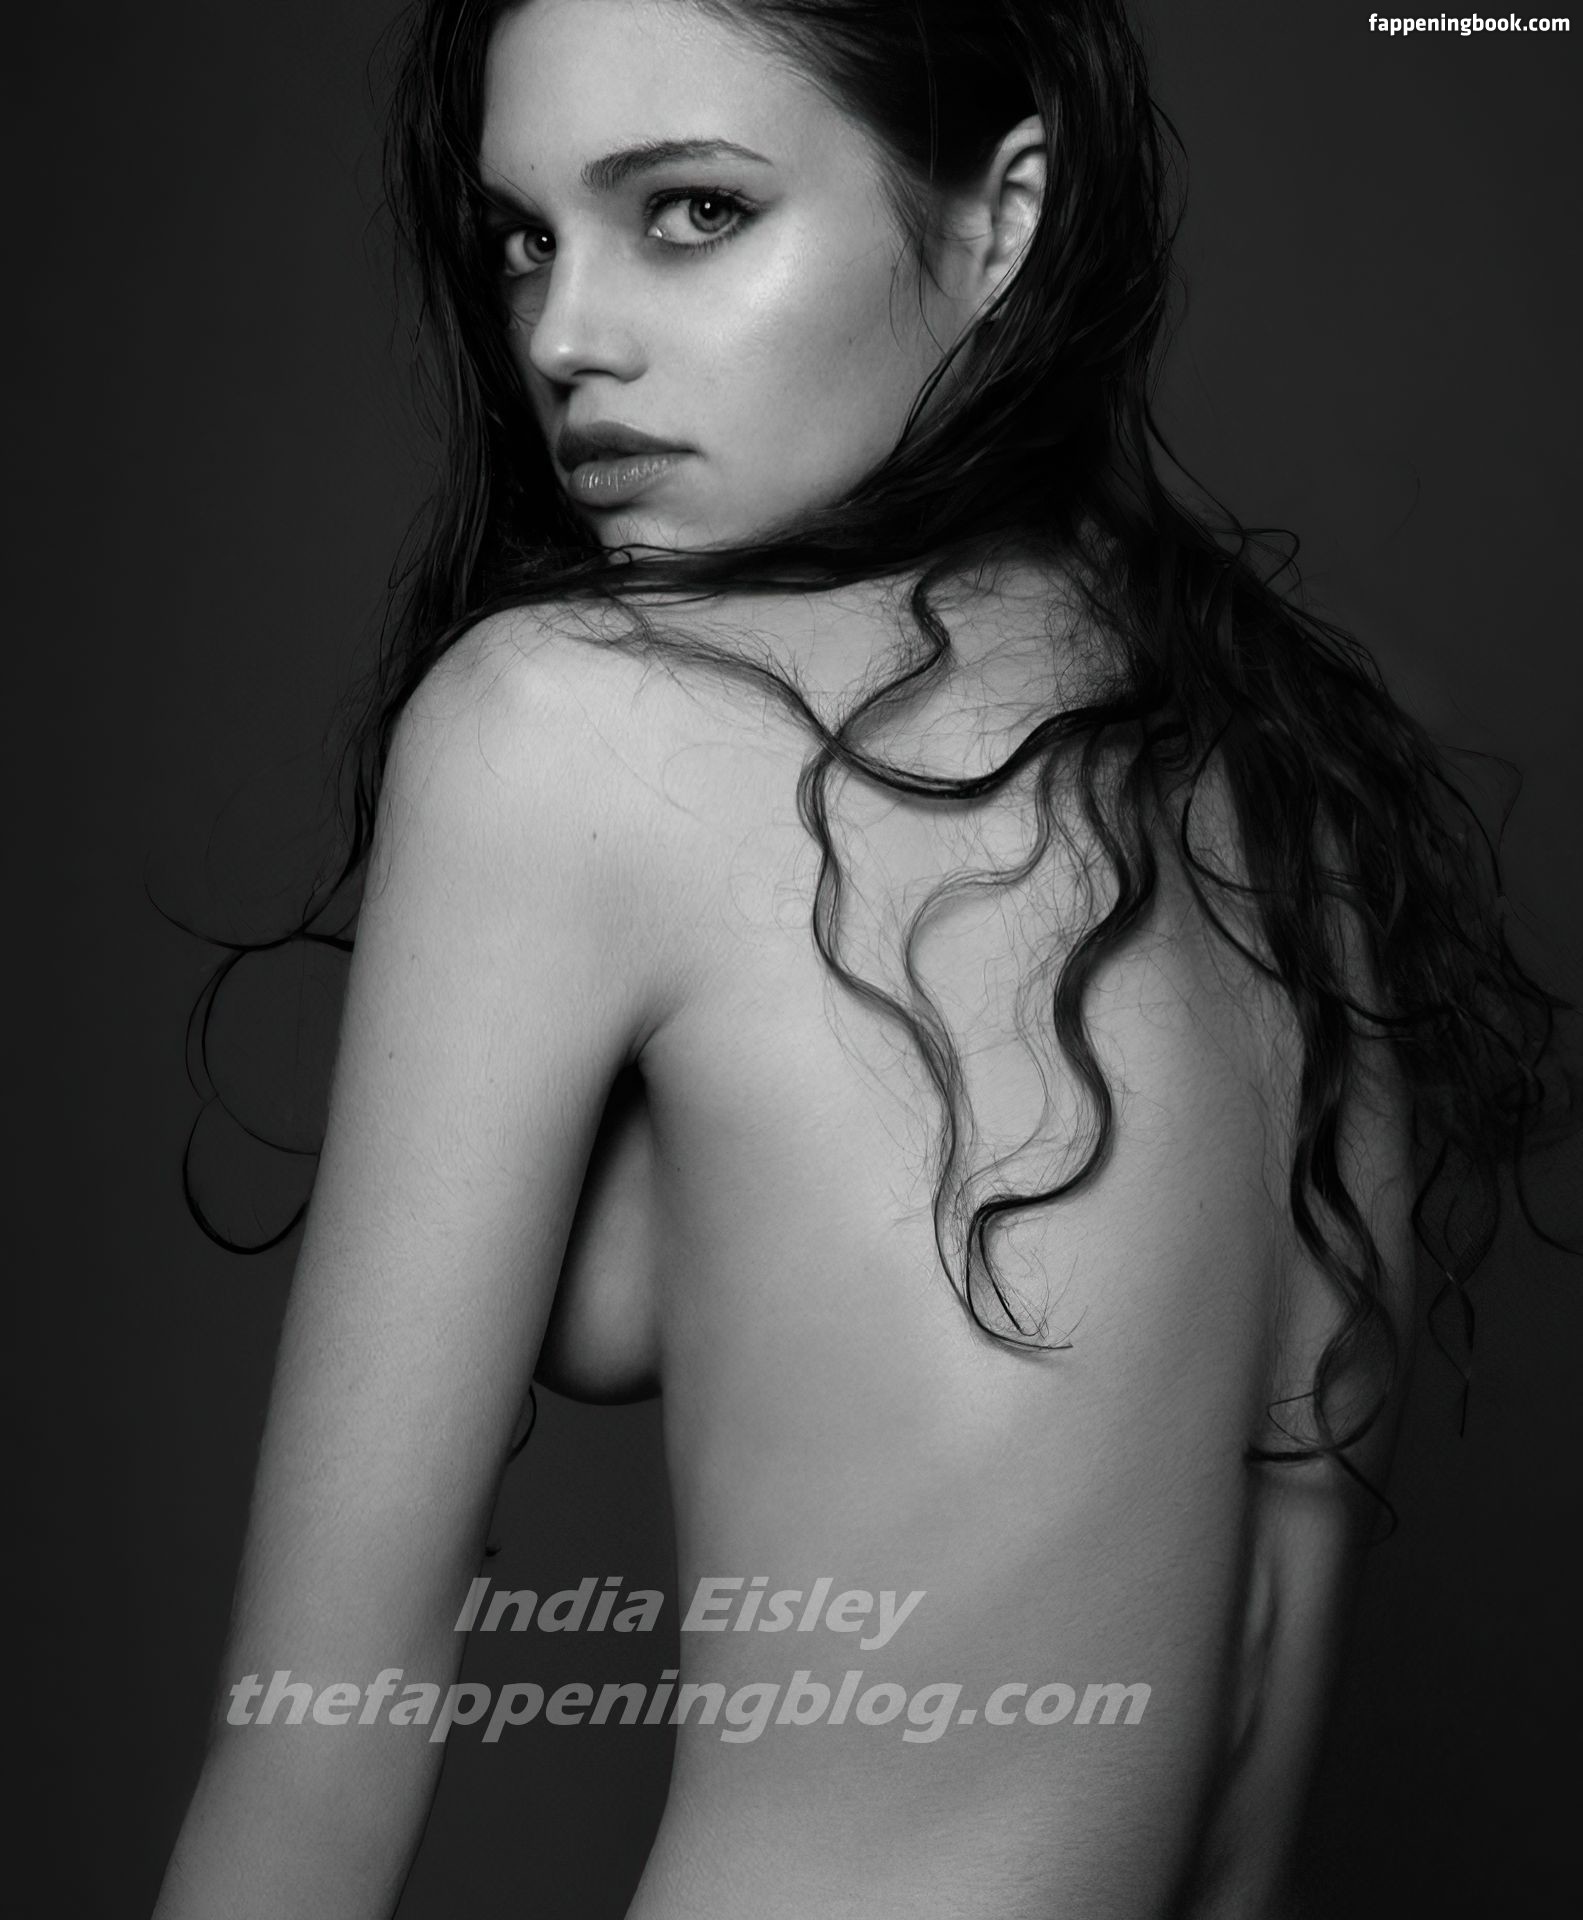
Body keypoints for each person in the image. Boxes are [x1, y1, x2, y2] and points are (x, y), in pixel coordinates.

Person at [151, 2, 1572, 1916]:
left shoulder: (569, 725)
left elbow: (314, 1749)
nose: (564, 334)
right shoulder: (1294, 785)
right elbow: (1250, 1690)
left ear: (1005, 218)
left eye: (693, 211)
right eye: (525, 238)